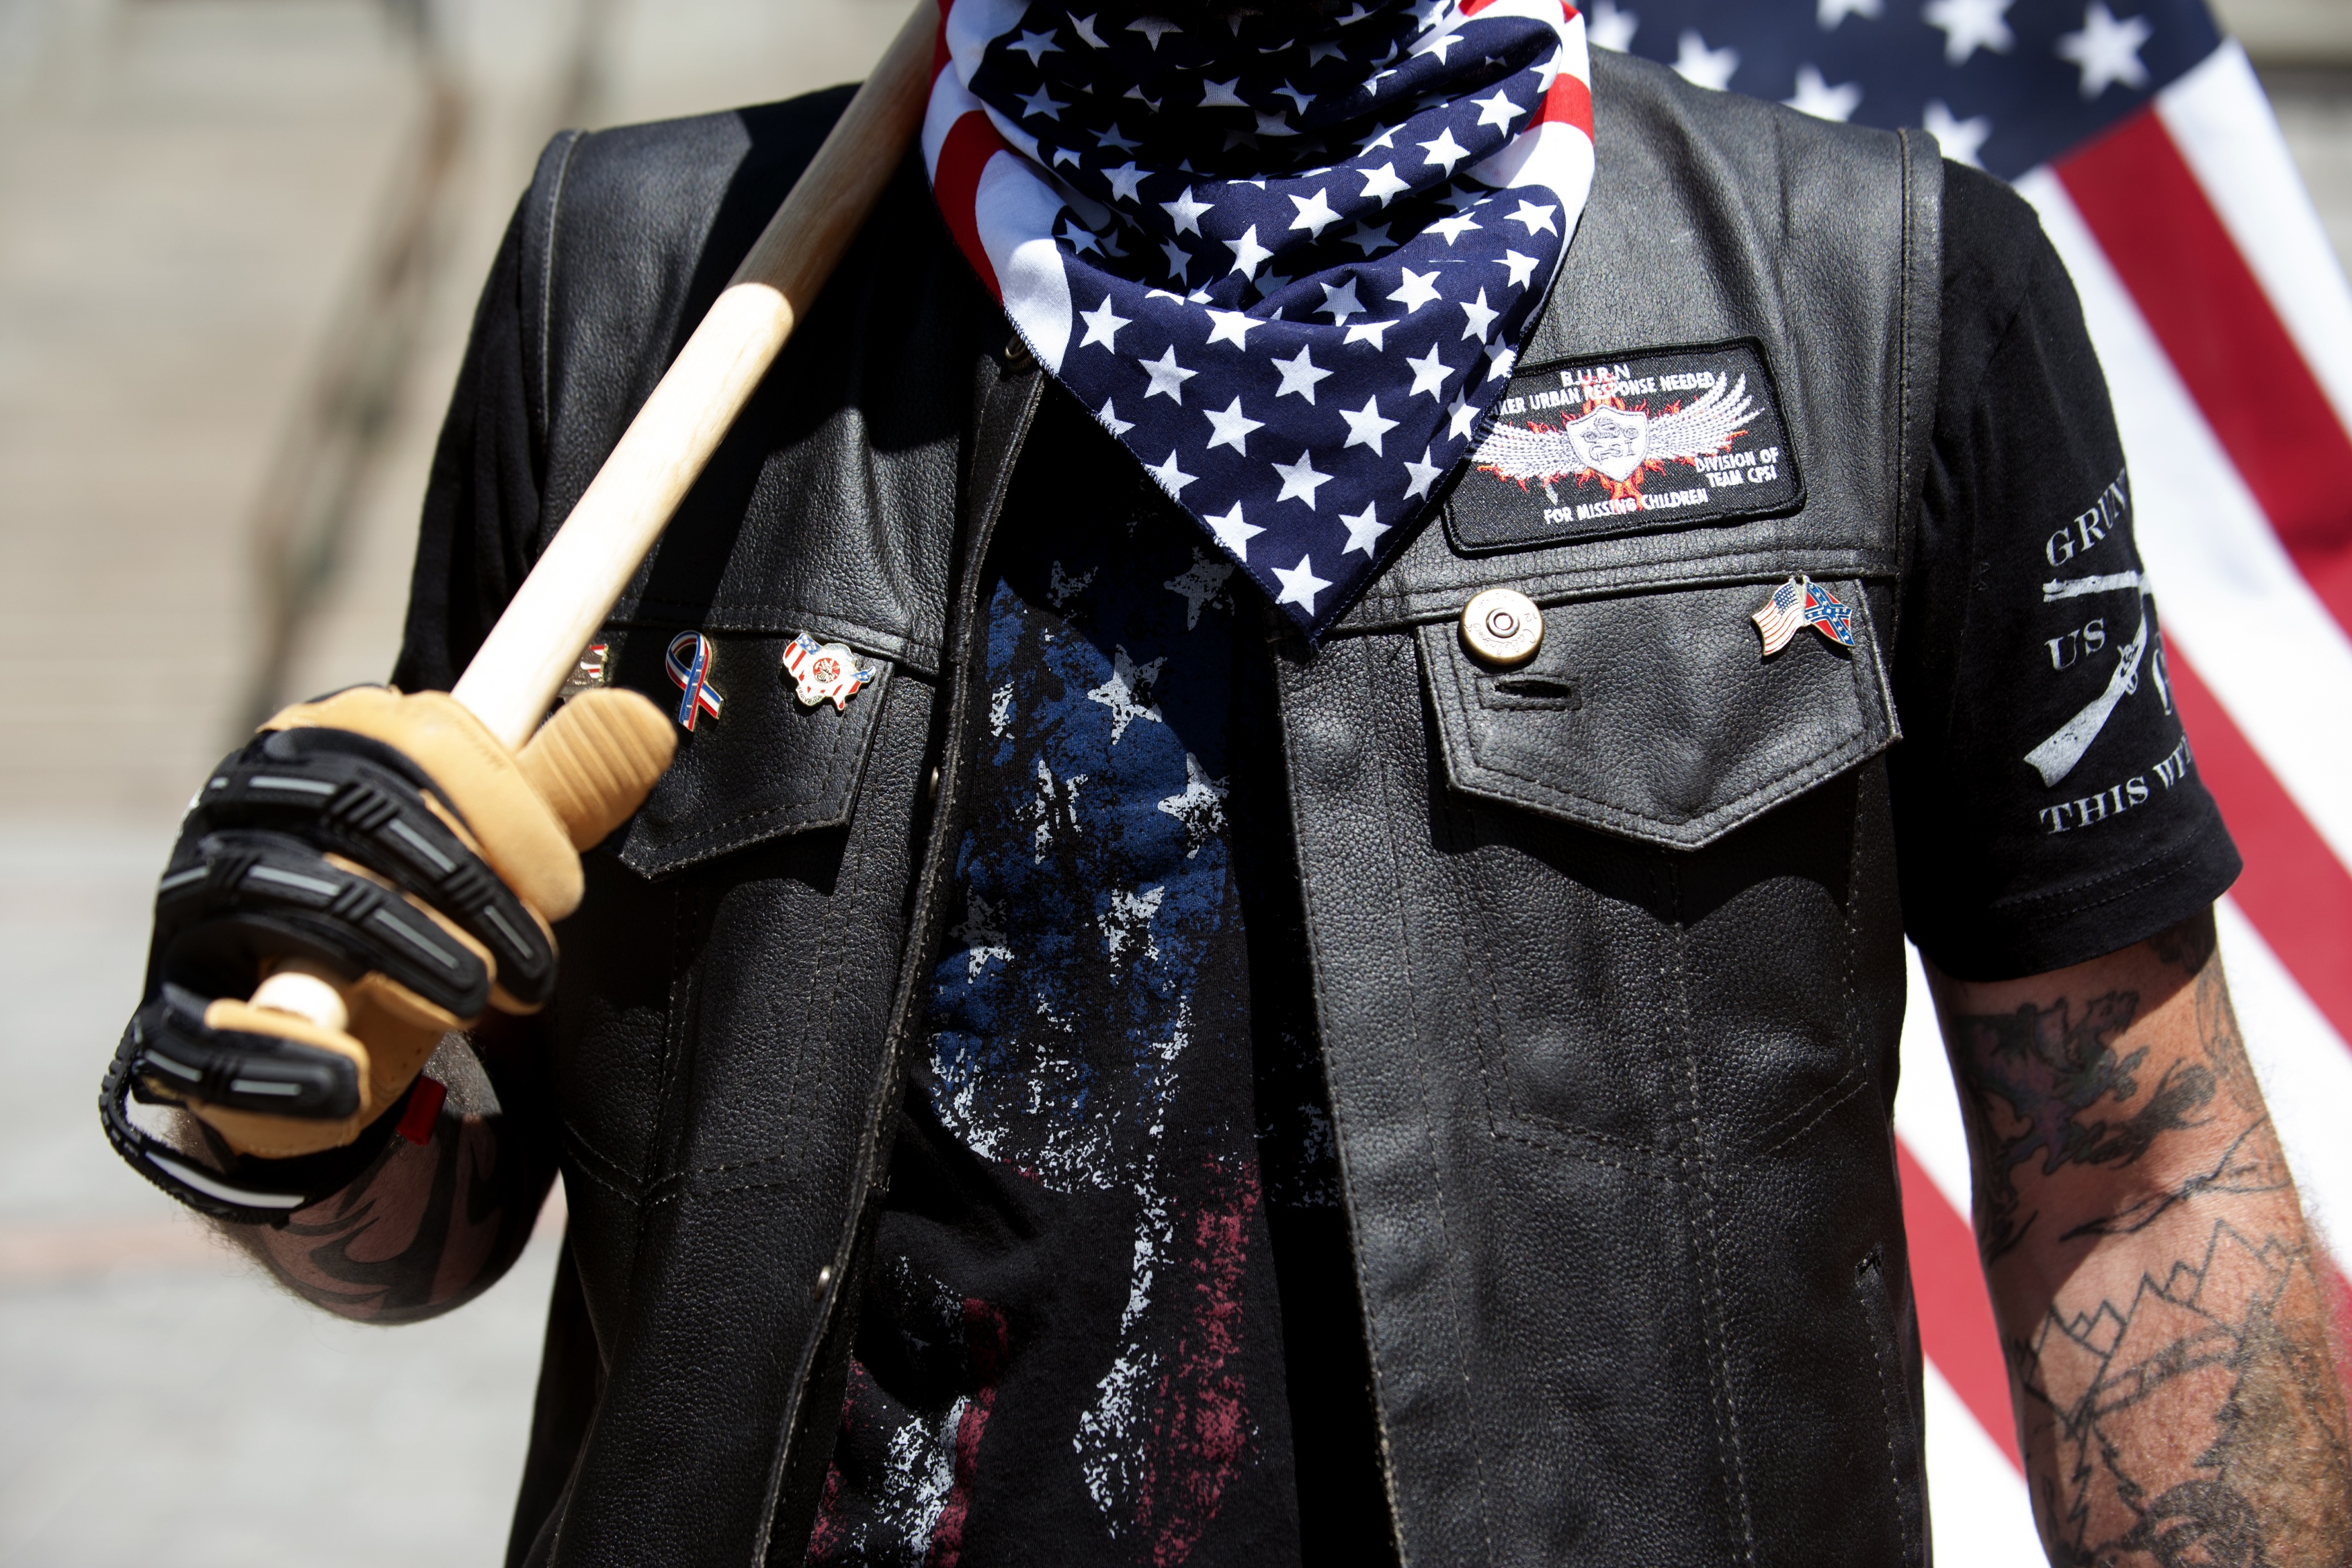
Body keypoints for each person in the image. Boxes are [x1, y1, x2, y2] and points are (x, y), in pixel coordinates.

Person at [101, 1, 2352, 1564]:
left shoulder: (1871, 284)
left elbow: (2133, 1185)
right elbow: (440, 1227)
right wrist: (281, 1102)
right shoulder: (636, 294)